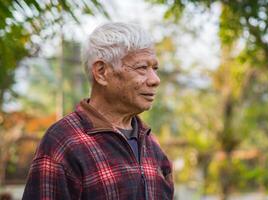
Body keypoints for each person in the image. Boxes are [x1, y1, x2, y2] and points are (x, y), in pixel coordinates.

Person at [22, 22, 174, 200]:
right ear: (101, 72)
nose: (155, 80)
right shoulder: (63, 142)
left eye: (154, 69)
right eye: (142, 68)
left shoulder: (151, 143)